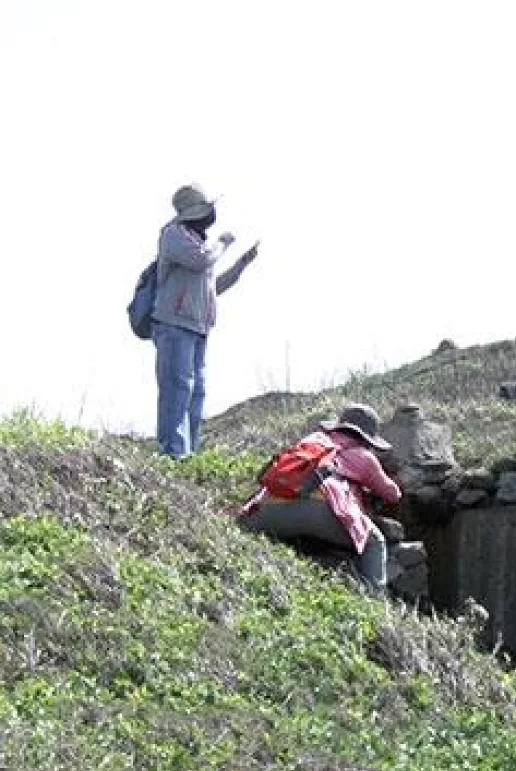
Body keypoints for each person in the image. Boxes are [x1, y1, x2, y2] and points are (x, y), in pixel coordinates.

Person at [238, 404, 402, 593]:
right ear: (367, 438)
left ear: (338, 426)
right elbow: (393, 495)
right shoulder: (364, 456)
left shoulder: (313, 439)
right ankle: (376, 600)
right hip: (320, 510)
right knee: (374, 542)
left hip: (268, 508)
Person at [151, 184, 260, 458]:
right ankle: (173, 455)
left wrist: (241, 265)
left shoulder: (196, 242)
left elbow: (214, 287)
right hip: (175, 326)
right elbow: (202, 261)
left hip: (198, 329)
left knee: (195, 394)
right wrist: (223, 242)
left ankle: (189, 453)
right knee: (177, 391)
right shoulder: (173, 235)